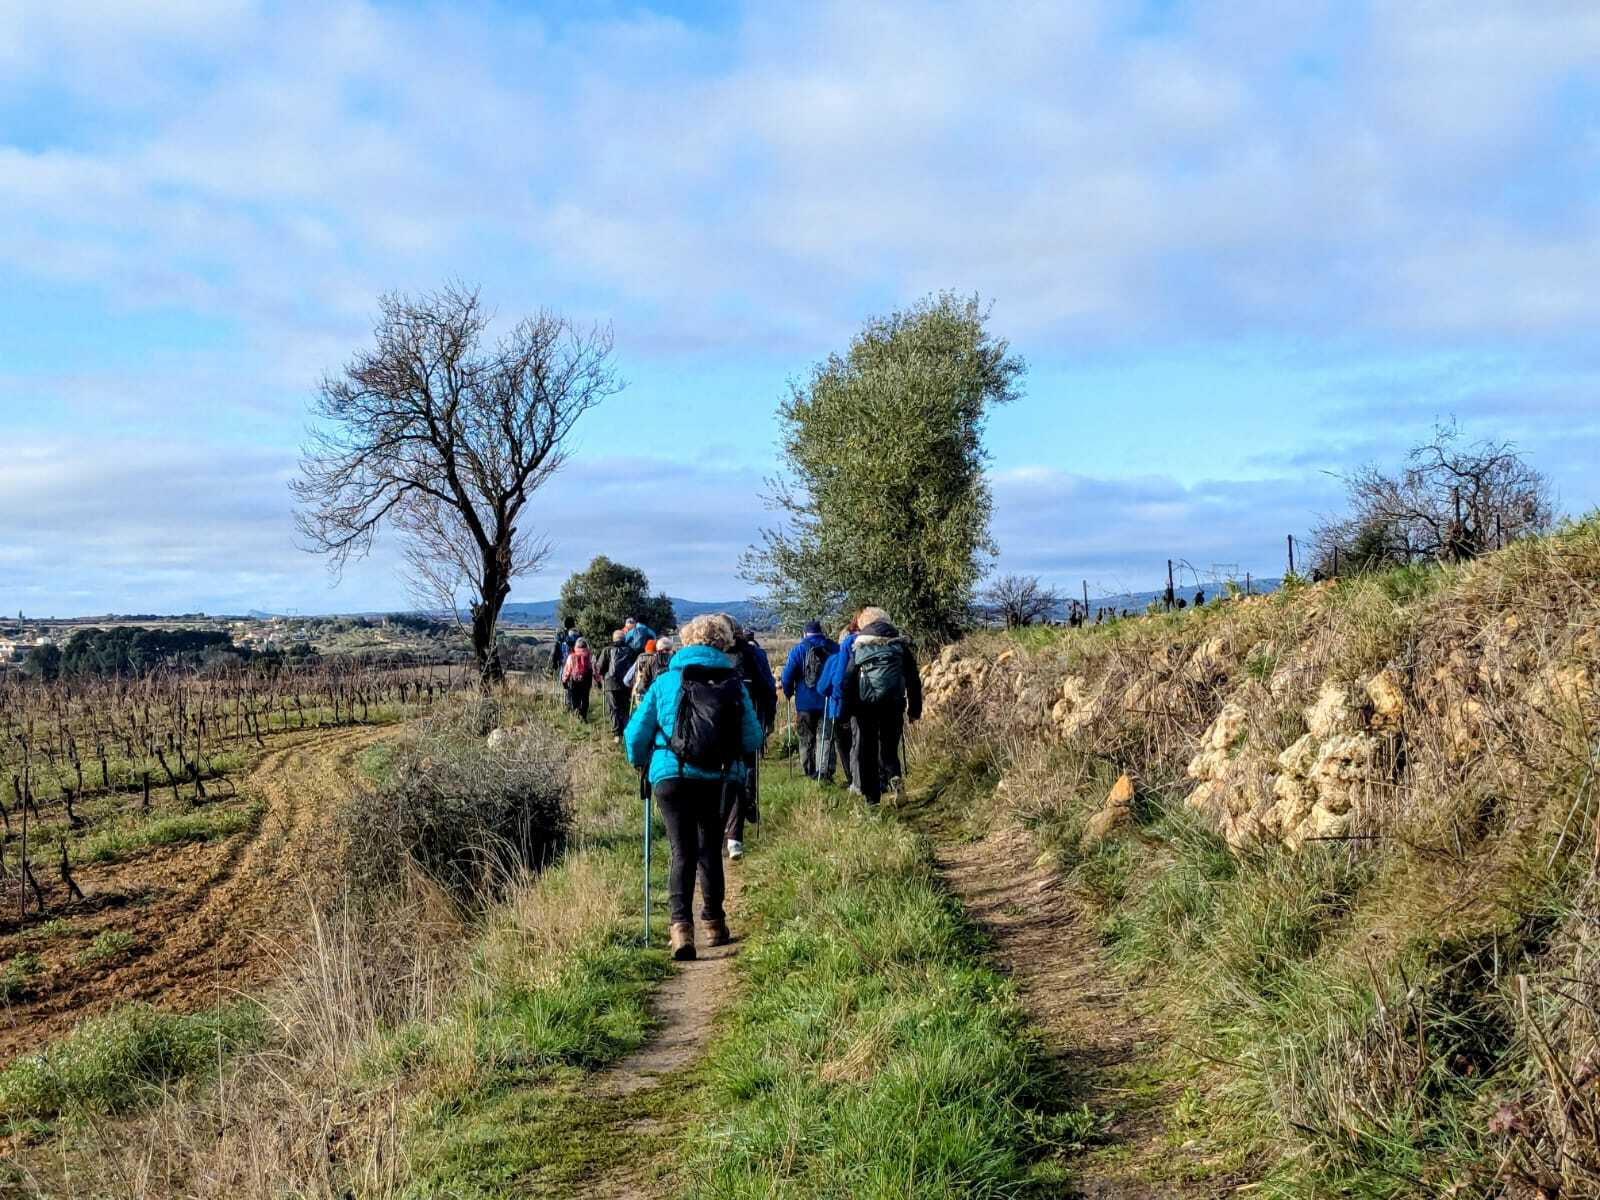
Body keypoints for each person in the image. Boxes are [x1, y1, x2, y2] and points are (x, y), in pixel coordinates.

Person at [625, 612, 763, 961]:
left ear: (686, 642)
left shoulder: (666, 682)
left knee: (681, 851)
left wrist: (641, 762)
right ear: (723, 644)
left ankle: (681, 931)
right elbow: (752, 738)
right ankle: (714, 924)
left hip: (671, 777)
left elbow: (635, 735)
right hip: (718, 777)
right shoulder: (734, 684)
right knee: (709, 849)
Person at [840, 607, 923, 805]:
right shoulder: (899, 647)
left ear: (864, 625)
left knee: (867, 752)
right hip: (894, 704)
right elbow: (913, 680)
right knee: (889, 748)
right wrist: (914, 711)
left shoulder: (861, 647)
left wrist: (845, 713)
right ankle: (895, 778)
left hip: (866, 707)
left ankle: (872, 800)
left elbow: (848, 681)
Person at [725, 625, 778, 859]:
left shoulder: (710, 654)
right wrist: (769, 717)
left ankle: (722, 823)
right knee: (747, 766)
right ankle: (747, 804)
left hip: (713, 726)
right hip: (748, 717)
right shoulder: (753, 654)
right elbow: (767, 687)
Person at [780, 620, 838, 779]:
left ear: (804, 633)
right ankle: (824, 773)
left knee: (806, 738)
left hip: (805, 703)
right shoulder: (833, 648)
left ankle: (809, 770)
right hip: (828, 701)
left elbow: (786, 676)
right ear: (821, 632)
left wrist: (788, 692)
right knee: (826, 737)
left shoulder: (798, 650)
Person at [817, 619, 859, 789]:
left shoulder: (834, 660)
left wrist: (831, 692)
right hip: (862, 706)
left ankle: (852, 779)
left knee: (844, 745)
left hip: (838, 709)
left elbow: (822, 687)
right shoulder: (864, 656)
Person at [594, 630, 639, 744]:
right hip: (626, 684)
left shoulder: (607, 650)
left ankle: (617, 735)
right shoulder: (630, 651)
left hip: (610, 683)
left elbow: (599, 668)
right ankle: (627, 734)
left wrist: (602, 677)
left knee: (614, 709)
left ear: (614, 639)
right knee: (625, 709)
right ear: (624, 639)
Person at [631, 635, 673, 705]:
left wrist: (640, 691)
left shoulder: (652, 660)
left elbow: (645, 679)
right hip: (671, 695)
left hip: (655, 694)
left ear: (657, 648)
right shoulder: (675, 659)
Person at [560, 637, 593, 720]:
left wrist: (564, 681)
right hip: (586, 680)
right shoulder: (589, 655)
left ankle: (577, 714)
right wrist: (598, 681)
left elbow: (567, 670)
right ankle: (584, 716)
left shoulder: (572, 656)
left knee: (575, 698)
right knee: (585, 698)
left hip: (575, 681)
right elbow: (594, 668)